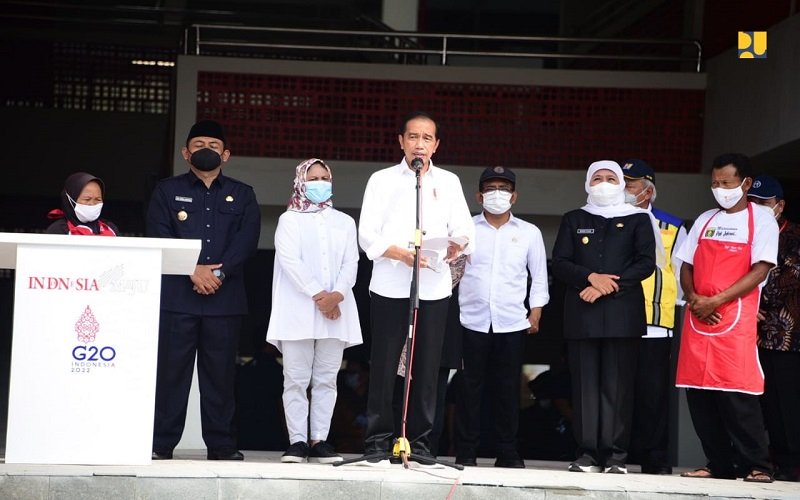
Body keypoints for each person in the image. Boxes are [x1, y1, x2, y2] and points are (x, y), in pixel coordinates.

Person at [358, 111, 474, 466]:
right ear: (400, 141)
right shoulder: (381, 180)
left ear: (436, 145)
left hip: (434, 287)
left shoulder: (449, 182)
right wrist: (399, 254)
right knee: (383, 365)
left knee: (427, 367)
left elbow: (466, 231)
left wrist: (455, 245)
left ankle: (421, 442)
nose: (419, 144)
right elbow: (367, 235)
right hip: (391, 285)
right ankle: (378, 440)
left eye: (426, 138)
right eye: (413, 137)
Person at [147, 119, 261, 461]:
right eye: (198, 145)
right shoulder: (166, 191)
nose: (206, 150)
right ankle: (160, 443)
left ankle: (222, 445)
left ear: (225, 154)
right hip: (178, 298)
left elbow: (247, 241)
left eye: (213, 145)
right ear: (185, 153)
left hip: (224, 301)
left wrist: (220, 273)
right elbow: (158, 233)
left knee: (220, 377)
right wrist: (192, 269)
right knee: (171, 374)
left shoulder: (243, 194)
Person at [675, 153, 778, 483]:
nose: (719, 189)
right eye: (715, 183)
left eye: (726, 183)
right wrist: (693, 298)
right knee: (700, 394)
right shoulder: (705, 219)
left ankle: (758, 464)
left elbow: (761, 267)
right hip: (698, 316)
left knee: (737, 395)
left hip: (735, 318)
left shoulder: (761, 219)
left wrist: (717, 300)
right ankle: (717, 463)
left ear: (745, 183)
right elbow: (686, 264)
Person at [552, 160, 657, 474]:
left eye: (611, 178)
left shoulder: (639, 218)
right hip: (582, 315)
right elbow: (559, 262)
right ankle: (586, 453)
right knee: (585, 386)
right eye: (597, 177)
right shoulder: (574, 218)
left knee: (618, 386)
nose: (603, 182)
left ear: (622, 184)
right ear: (586, 183)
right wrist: (589, 277)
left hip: (621, 314)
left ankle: (616, 456)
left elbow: (645, 263)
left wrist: (605, 285)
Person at [267, 158, 362, 464]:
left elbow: (352, 263)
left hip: (337, 309)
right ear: (300, 182)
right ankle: (297, 442)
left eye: (324, 177)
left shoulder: (345, 222)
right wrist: (321, 296)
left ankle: (319, 439)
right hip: (298, 310)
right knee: (295, 378)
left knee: (326, 379)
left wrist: (336, 296)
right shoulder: (289, 220)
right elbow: (290, 261)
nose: (319, 183)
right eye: (313, 178)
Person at [455, 166, 549, 469]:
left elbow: (539, 276)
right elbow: (451, 273)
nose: (498, 194)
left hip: (511, 322)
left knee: (508, 389)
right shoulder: (465, 229)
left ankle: (507, 451)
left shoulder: (529, 233)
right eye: (491, 188)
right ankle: (466, 451)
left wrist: (536, 311)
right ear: (479, 195)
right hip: (471, 320)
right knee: (469, 388)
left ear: (515, 196)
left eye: (504, 188)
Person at [622, 159, 687, 475]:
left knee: (653, 395)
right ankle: (613, 455)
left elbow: (684, 275)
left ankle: (654, 457)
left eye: (629, 184)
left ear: (647, 191)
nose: (622, 190)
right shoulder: (609, 220)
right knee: (615, 393)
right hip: (615, 321)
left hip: (655, 325)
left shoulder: (671, 226)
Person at [748, 175, 800, 482]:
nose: (754, 209)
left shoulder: (794, 236)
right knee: (758, 402)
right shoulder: (745, 234)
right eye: (750, 203)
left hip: (787, 338)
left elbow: (785, 279)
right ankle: (764, 459)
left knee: (787, 402)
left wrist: (748, 302)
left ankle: (791, 463)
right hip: (746, 334)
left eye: (762, 203)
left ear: (779, 206)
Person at [46, 172, 118, 235]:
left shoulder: (110, 228)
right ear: (70, 200)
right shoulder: (58, 231)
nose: (92, 203)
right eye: (87, 199)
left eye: (98, 199)